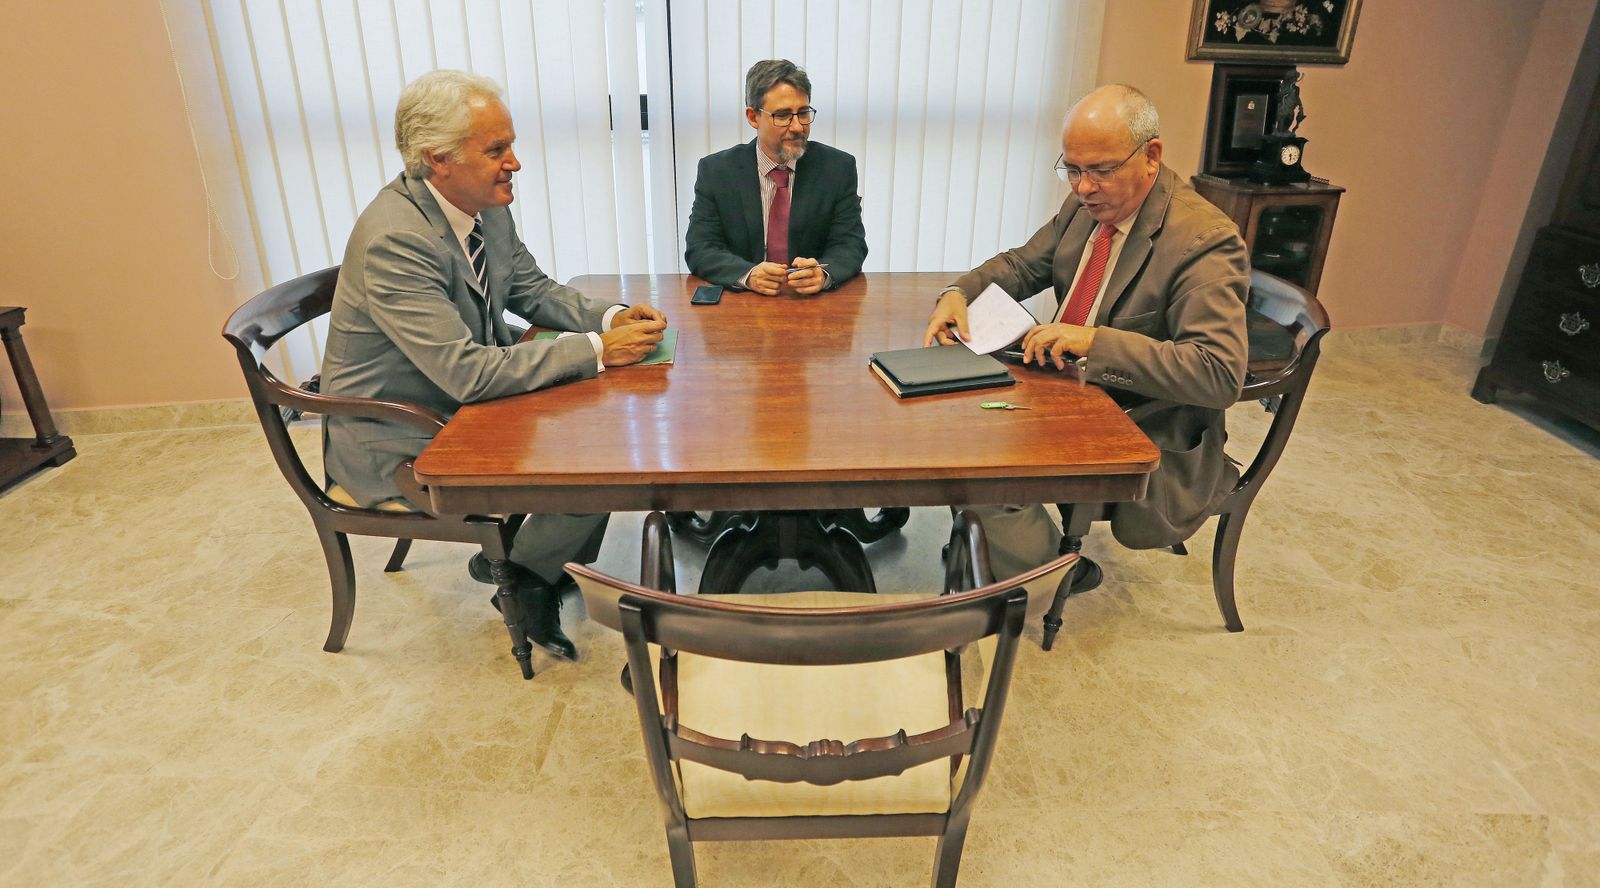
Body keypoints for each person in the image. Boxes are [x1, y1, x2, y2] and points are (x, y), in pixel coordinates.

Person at [319, 70, 667, 661]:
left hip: (456, 398)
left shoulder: (482, 205)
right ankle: (529, 578)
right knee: (601, 461)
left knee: (606, 424)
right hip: (400, 432)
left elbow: (532, 289)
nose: (516, 163)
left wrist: (610, 318)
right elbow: (467, 375)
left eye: (511, 144)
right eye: (496, 150)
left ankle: (531, 562)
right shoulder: (396, 240)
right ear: (438, 159)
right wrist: (595, 353)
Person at [922, 84, 1249, 589]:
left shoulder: (1204, 241)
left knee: (981, 469)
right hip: (1069, 387)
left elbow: (1218, 373)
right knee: (947, 415)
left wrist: (1094, 342)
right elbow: (1021, 265)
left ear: (1151, 156)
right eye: (1072, 169)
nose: (1083, 187)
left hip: (1141, 420)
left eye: (1099, 169)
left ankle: (1047, 571)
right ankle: (996, 540)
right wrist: (957, 292)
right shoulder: (1086, 207)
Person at [684, 59, 867, 296]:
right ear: (753, 117)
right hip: (742, 307)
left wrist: (823, 275)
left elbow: (850, 244)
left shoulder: (837, 168)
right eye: (782, 115)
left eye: (803, 113)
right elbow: (701, 248)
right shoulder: (717, 171)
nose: (798, 127)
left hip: (813, 306)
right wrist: (748, 275)